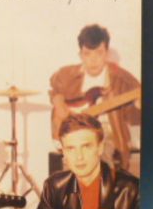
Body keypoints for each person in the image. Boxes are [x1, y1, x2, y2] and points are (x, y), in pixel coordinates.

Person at [25, 114, 139, 209]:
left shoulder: (132, 190)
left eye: (86, 147)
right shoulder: (55, 186)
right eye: (71, 148)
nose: (79, 157)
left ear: (100, 148)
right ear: (63, 152)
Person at [49, 25, 140, 172]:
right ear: (80, 55)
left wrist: (139, 106)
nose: (93, 60)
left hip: (107, 133)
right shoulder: (67, 74)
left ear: (106, 53)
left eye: (99, 53)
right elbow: (55, 87)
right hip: (76, 132)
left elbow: (134, 118)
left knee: (97, 154)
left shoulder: (123, 79)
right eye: (87, 54)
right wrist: (59, 106)